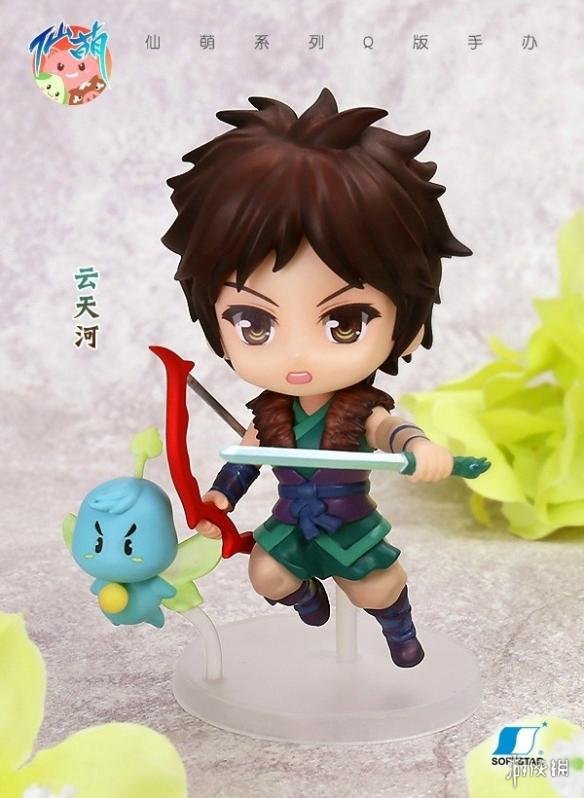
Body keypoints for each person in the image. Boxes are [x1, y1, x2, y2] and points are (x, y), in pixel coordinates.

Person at [161, 88, 472, 667]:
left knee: (375, 586)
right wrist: (220, 498)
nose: (298, 355)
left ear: (406, 320)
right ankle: (306, 598)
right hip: (291, 522)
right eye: (255, 323)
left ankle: (398, 625)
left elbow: (389, 430)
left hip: (348, 520)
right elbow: (245, 459)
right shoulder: (271, 414)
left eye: (345, 323)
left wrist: (418, 448)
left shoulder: (358, 408)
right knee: (267, 574)